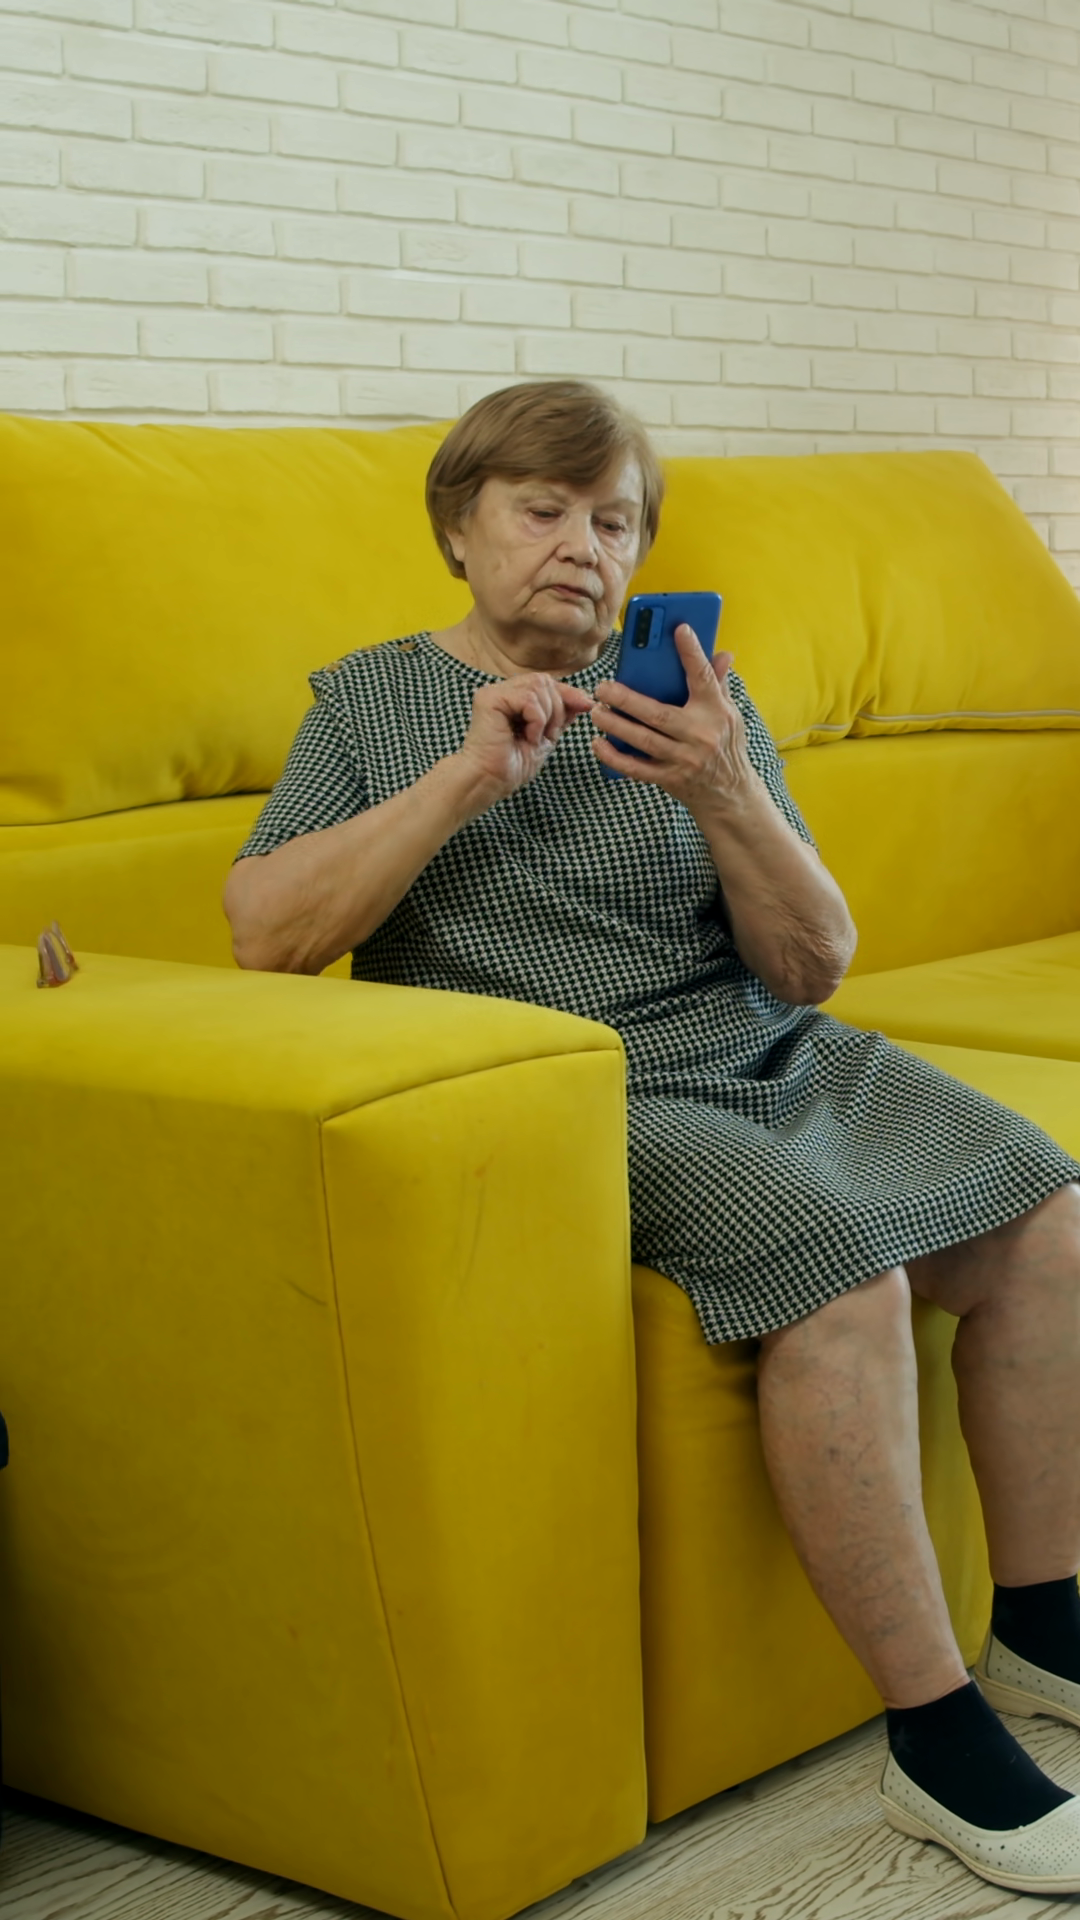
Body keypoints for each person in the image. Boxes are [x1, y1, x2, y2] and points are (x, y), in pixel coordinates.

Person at [225, 379, 1080, 1896]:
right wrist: (465, 777)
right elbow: (266, 937)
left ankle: (1043, 1627)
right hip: (575, 1084)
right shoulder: (371, 701)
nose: (583, 546)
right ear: (459, 529)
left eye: (614, 521)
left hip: (762, 1045)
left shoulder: (700, 703)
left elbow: (814, 967)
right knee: (842, 1270)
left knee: (1054, 1219)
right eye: (543, 511)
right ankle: (935, 1738)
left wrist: (727, 785)